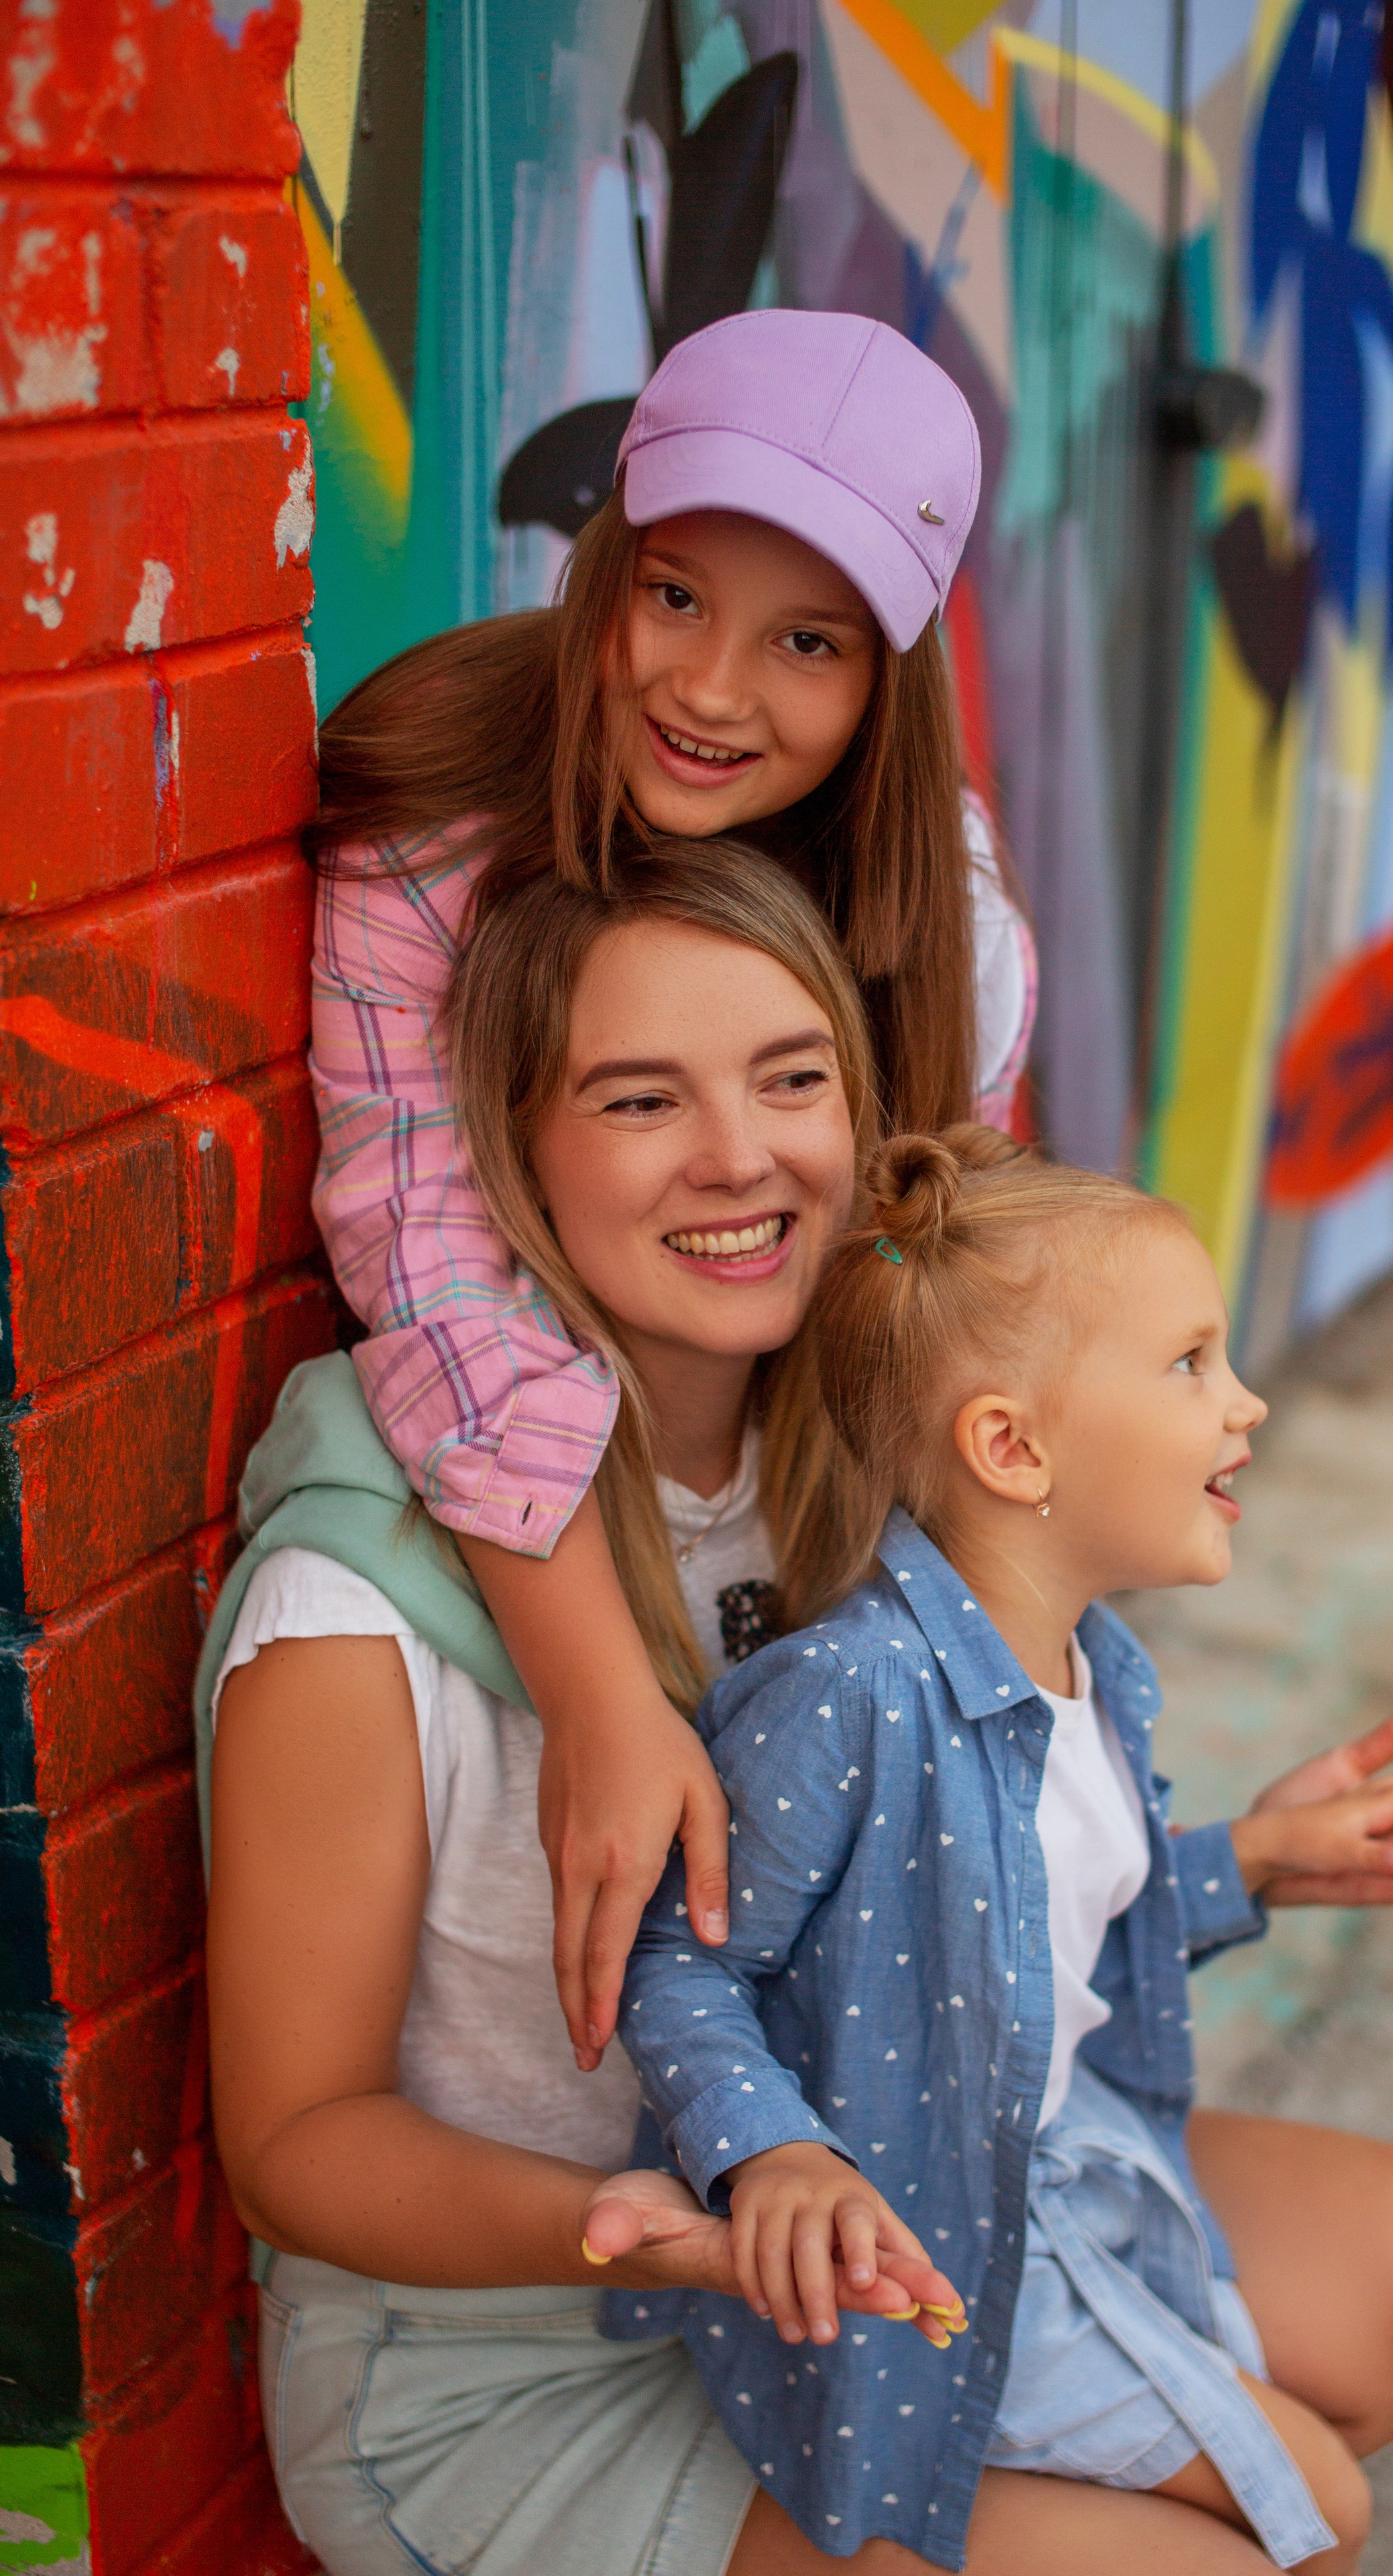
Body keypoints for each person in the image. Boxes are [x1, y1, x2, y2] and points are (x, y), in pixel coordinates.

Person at [618, 1129, 1393, 2573]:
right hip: (922, 2226)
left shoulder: (1093, 1666)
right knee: (1317, 2514)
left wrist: (1243, 1860)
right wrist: (774, 2157)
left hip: (1054, 2167)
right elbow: (680, 1959)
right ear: (1011, 1446)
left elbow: (1022, 1934)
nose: (1242, 1402)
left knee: (1306, 2498)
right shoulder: (849, 1695)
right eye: (1189, 1363)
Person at [201, 849, 976, 2576]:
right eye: (641, 1098)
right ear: (505, 1160)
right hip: (495, 2362)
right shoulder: (351, 1602)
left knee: (1383, 2356)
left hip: (816, 2261)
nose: (739, 1155)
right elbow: (294, 2146)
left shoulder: (852, 1461)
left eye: (792, 1079)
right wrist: (622, 2225)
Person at [309, 309, 1033, 2079]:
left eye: (809, 641)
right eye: (679, 596)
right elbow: (436, 1281)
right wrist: (600, 1699)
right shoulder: (434, 846)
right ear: (609, 560)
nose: (712, 692)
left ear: (888, 678)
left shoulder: (945, 916)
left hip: (800, 1523)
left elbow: (958, 1294)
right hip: (539, 1542)